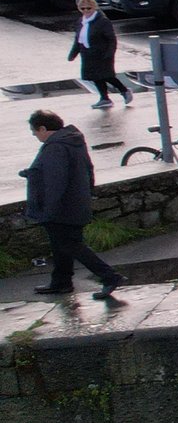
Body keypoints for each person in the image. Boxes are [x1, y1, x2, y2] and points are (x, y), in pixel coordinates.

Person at [21, 109, 123, 300]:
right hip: (76, 203)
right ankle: (61, 282)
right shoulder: (72, 141)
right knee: (61, 245)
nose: (34, 135)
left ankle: (110, 277)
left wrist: (49, 211)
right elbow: (87, 170)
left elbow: (56, 181)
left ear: (43, 128)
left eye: (35, 131)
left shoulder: (55, 147)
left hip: (61, 208)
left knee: (71, 245)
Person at [68, 0, 134, 109]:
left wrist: (110, 53)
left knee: (107, 76)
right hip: (88, 54)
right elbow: (78, 39)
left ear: (94, 8)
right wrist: (73, 54)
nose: (85, 11)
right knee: (96, 77)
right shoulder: (81, 21)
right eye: (82, 8)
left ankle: (124, 90)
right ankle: (104, 98)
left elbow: (111, 39)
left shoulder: (102, 21)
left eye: (88, 8)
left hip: (102, 54)